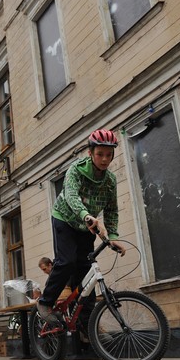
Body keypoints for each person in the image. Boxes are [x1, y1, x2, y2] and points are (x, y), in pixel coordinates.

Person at [36, 129, 126, 325]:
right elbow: (71, 196)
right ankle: (45, 302)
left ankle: (86, 325)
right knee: (66, 261)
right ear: (90, 154)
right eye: (100, 154)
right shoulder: (76, 169)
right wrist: (87, 216)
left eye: (108, 155)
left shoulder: (110, 181)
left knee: (86, 273)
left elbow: (112, 210)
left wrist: (113, 236)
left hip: (86, 227)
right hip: (65, 219)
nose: (104, 159)